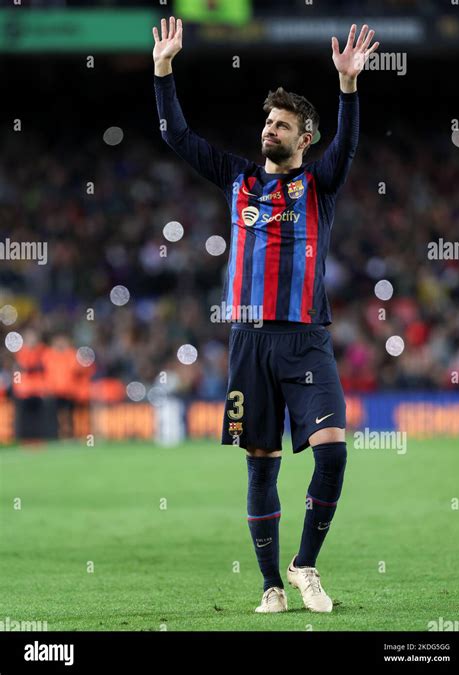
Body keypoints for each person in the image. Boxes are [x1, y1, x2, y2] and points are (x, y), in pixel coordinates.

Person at [153, 17, 378, 613]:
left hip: (307, 340)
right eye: (267, 121)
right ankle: (270, 586)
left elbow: (348, 144)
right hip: (249, 342)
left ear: (305, 137)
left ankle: (305, 566)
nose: (269, 129)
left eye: (281, 124)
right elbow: (177, 135)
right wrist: (164, 69)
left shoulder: (320, 185)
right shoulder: (238, 179)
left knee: (332, 450)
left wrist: (348, 86)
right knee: (261, 466)